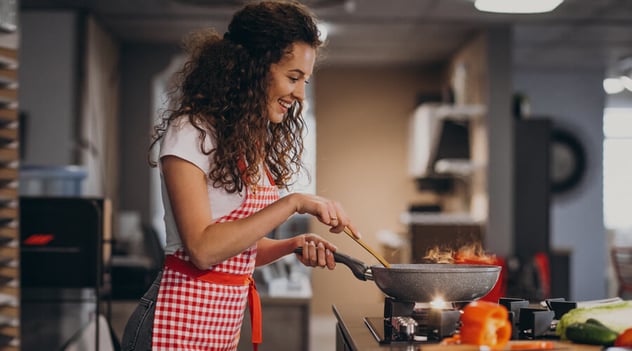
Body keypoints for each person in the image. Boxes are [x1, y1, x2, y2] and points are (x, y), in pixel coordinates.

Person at [121, 1, 360, 350]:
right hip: (173, 324)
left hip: (218, 326)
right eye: (293, 78)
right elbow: (203, 250)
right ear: (253, 68)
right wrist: (294, 202)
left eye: (304, 80)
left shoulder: (245, 143)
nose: (299, 94)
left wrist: (291, 246)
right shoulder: (191, 132)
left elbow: (238, 250)